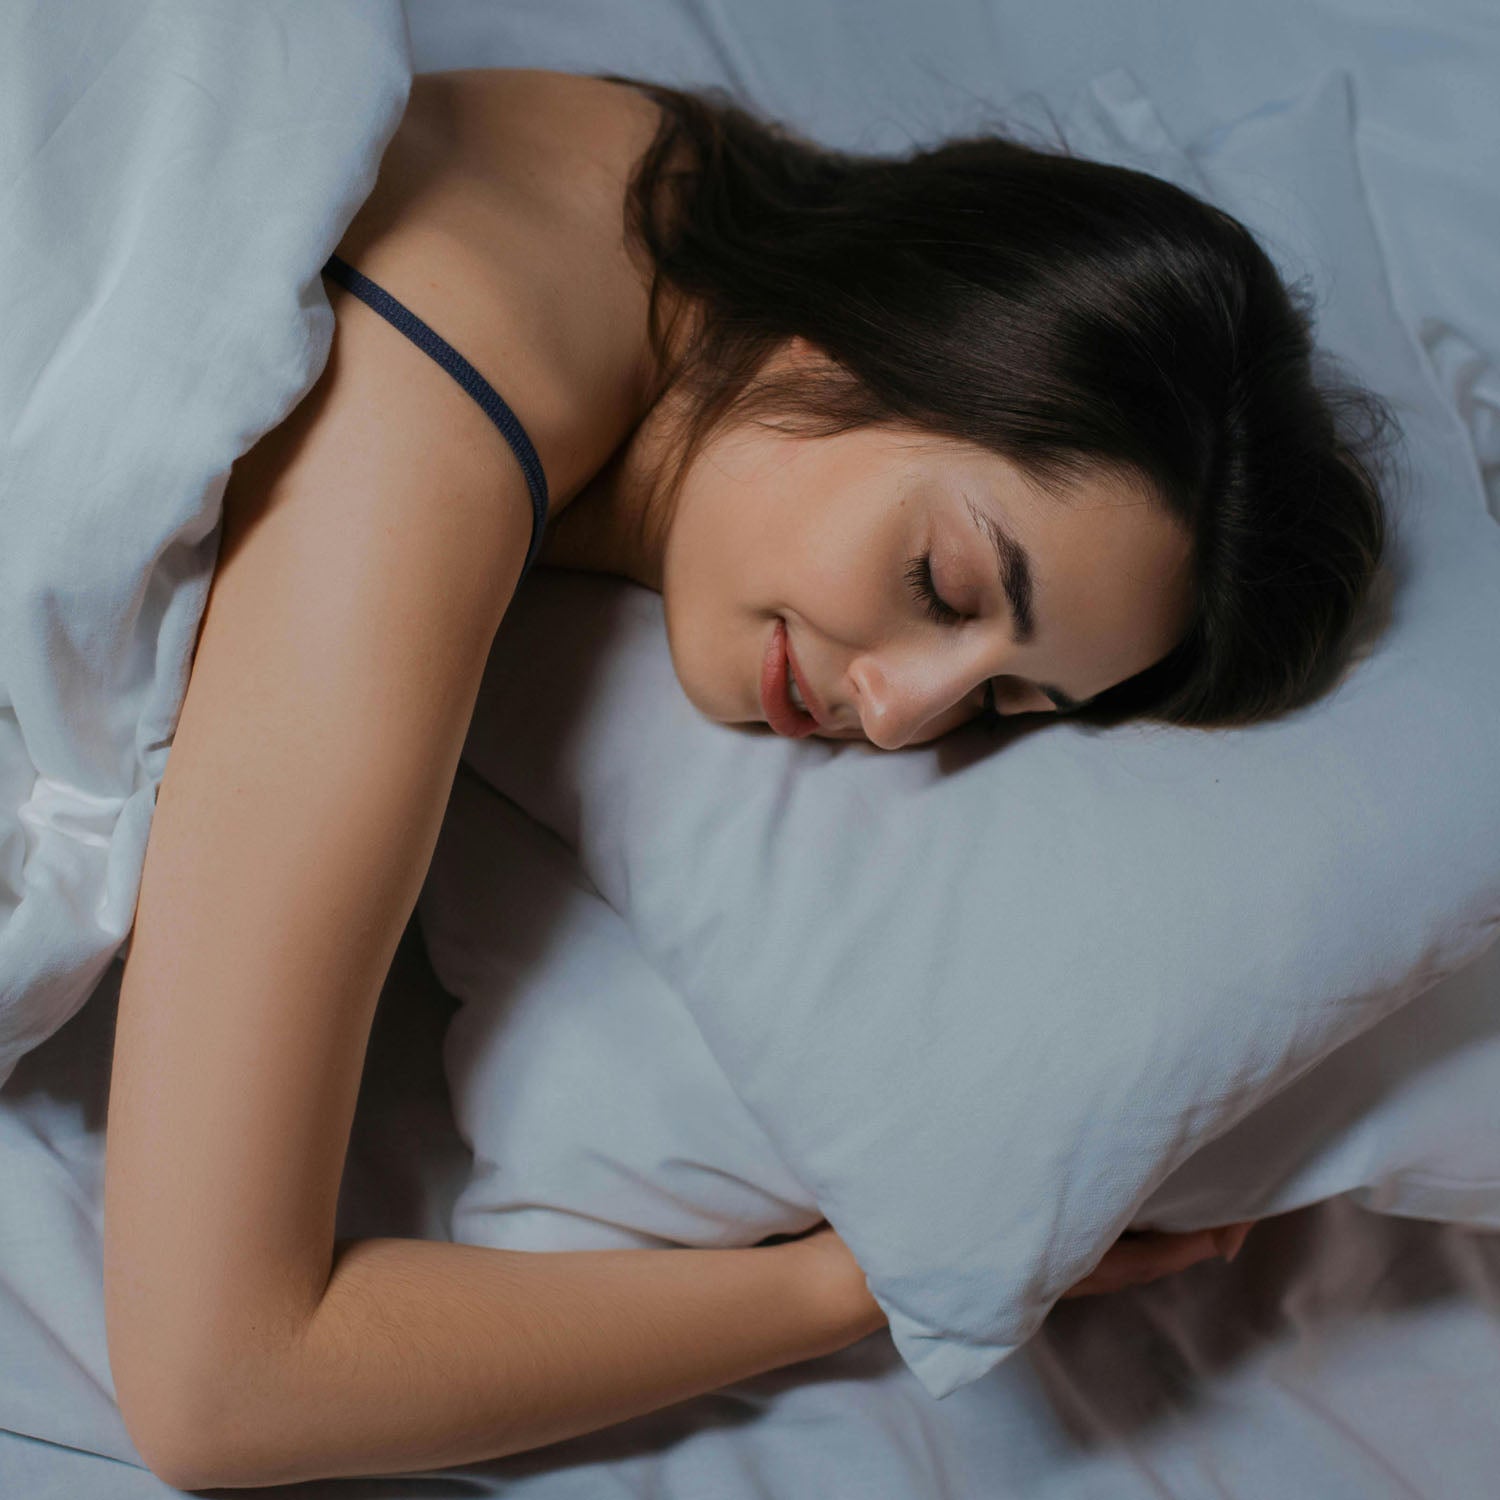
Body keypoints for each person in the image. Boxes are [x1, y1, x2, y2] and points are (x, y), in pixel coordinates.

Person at [101, 68, 1388, 1488]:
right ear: (883, 329)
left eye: (1011, 700)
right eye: (943, 582)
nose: (902, 719)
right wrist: (853, 1284)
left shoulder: (656, 166)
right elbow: (222, 1388)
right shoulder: (426, 442)